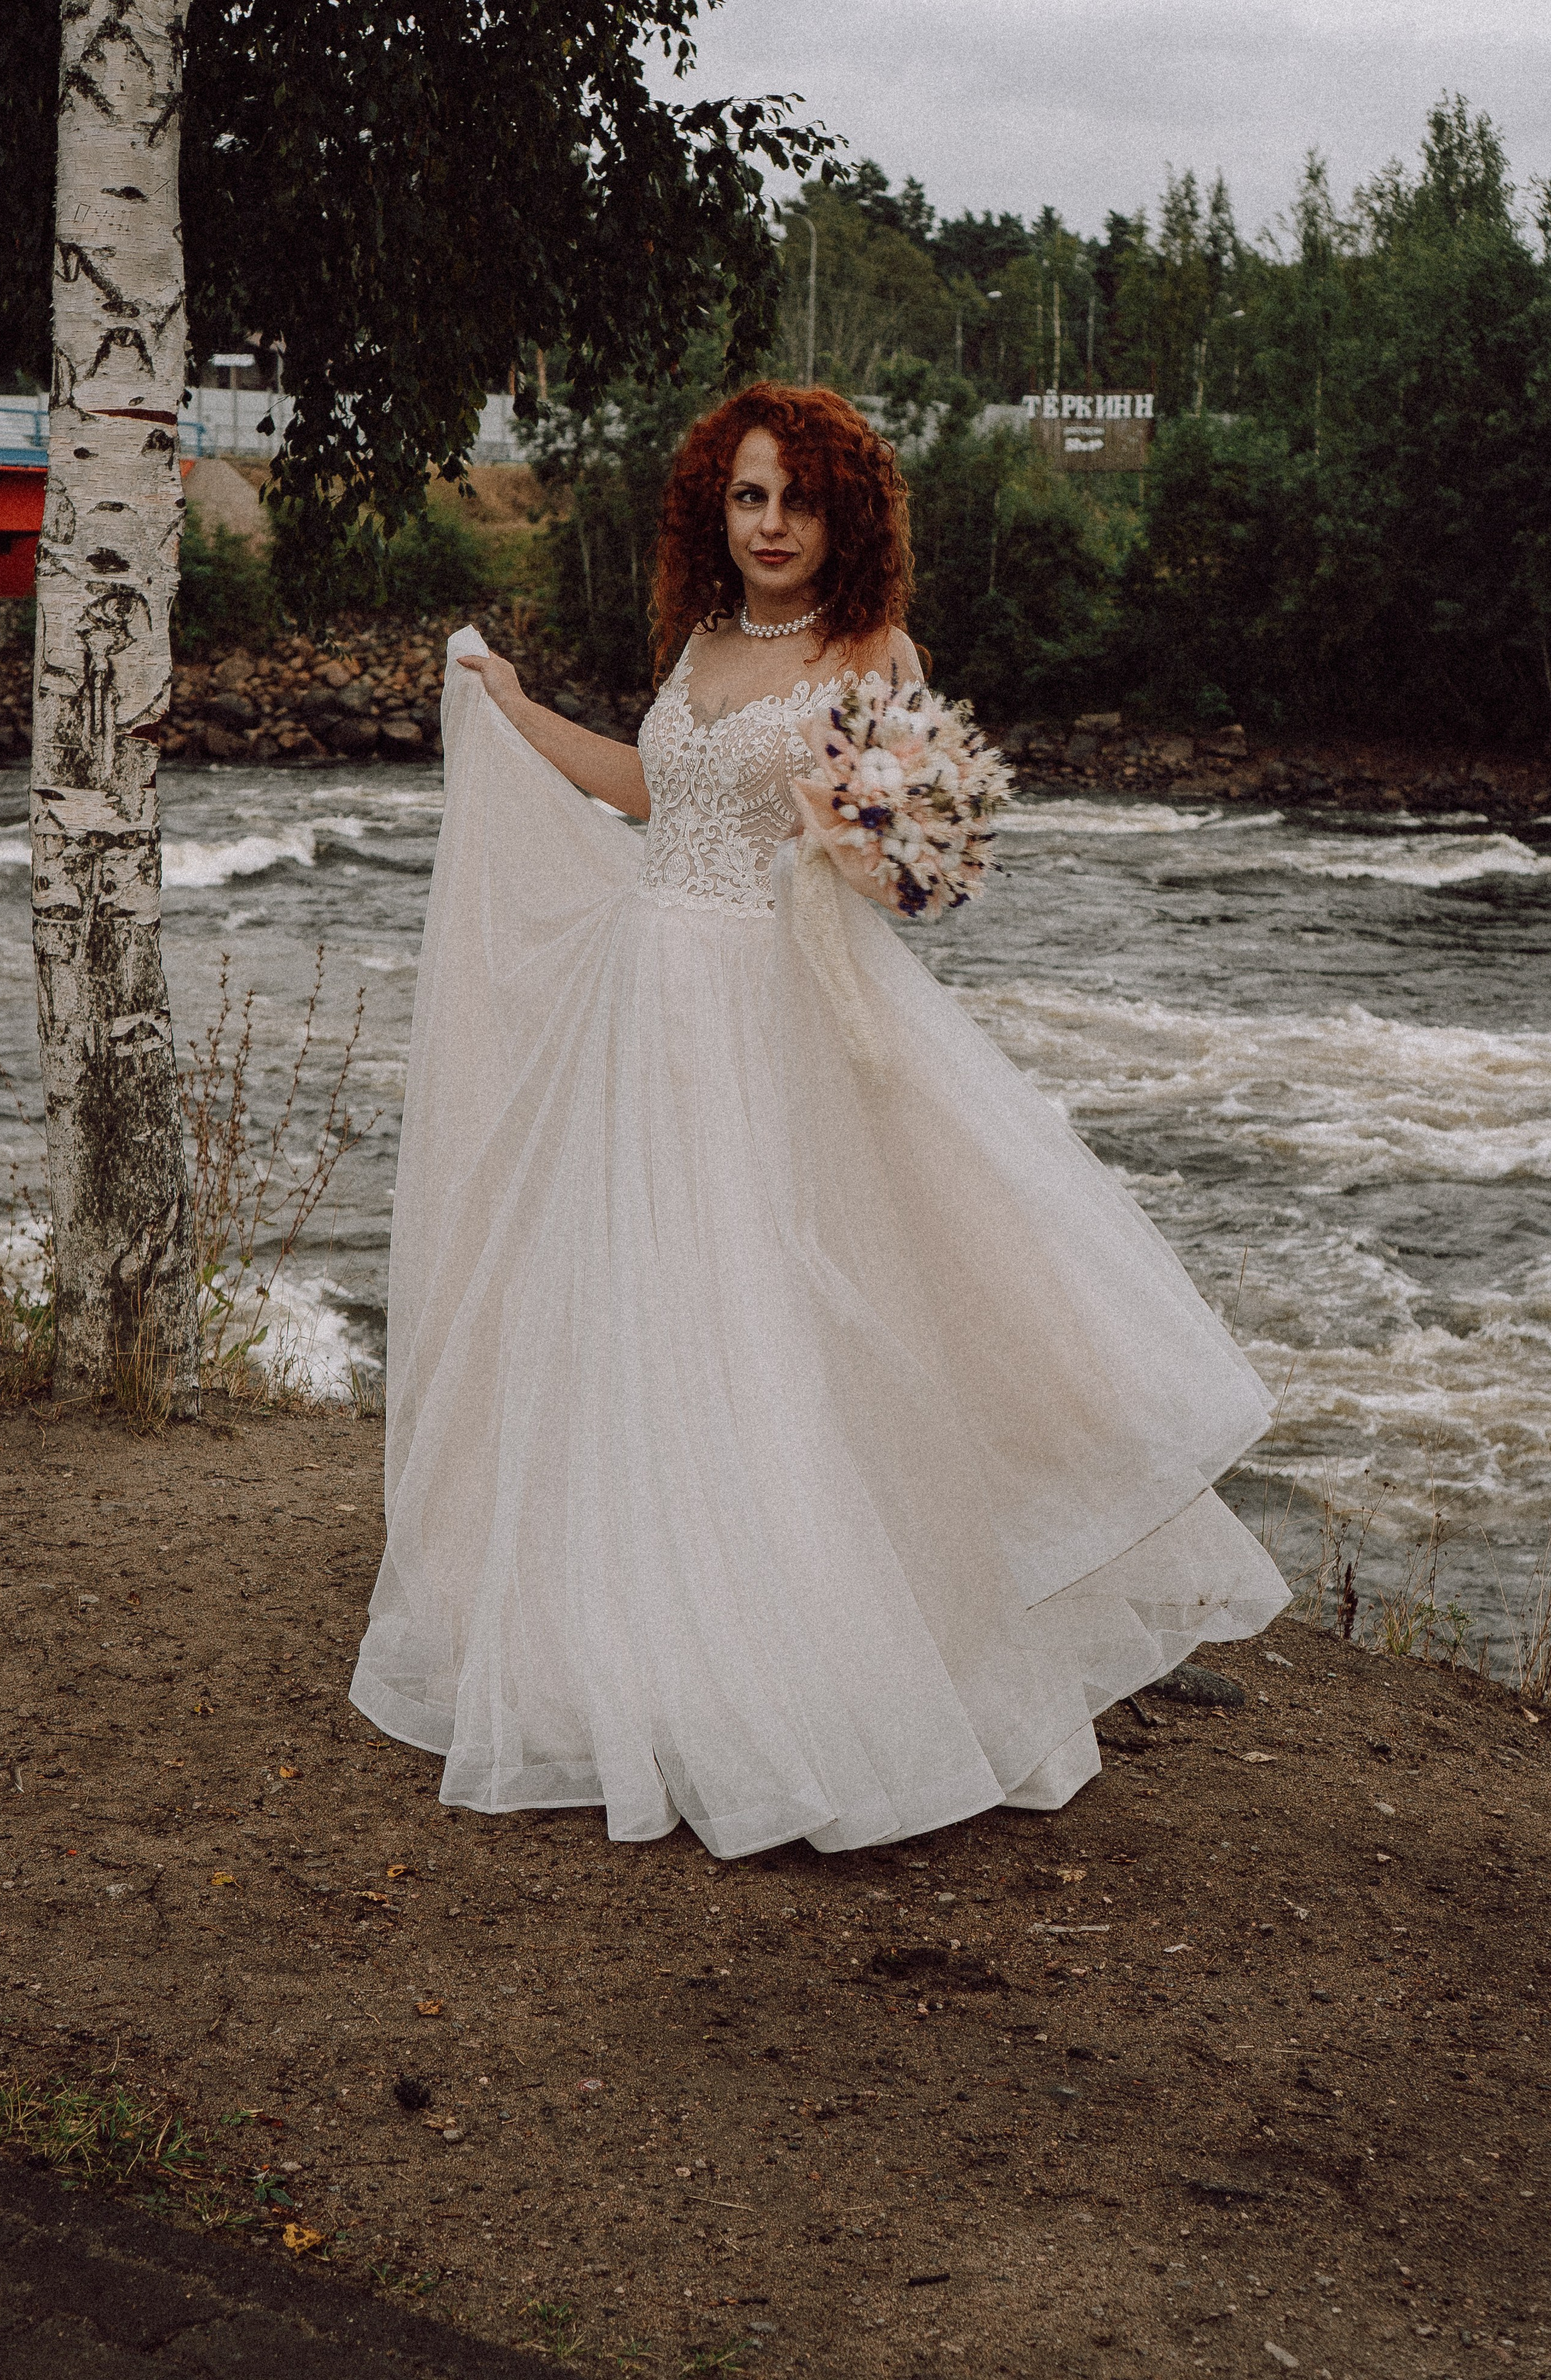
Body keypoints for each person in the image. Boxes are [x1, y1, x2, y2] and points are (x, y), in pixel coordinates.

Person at [349, 381, 1286, 1858]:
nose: (770, 524)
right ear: (711, 512)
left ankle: (810, 1664)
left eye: (795, 498)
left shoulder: (872, 652)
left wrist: (874, 848)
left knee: (771, 1311)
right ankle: (633, 1639)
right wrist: (518, 714)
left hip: (760, 1014)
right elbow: (656, 797)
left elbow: (912, 852)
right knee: (640, 1315)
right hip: (640, 1004)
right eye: (745, 496)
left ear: (841, 513)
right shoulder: (701, 643)